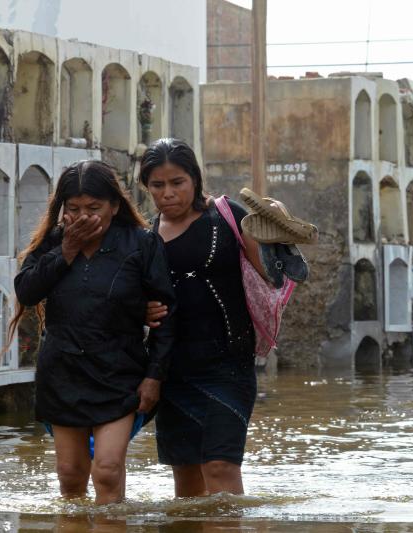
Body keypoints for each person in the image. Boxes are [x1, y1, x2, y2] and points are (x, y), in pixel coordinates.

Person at [9, 160, 175, 504]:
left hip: (119, 372)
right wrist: (66, 250)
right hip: (63, 373)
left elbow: (165, 316)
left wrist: (154, 376)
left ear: (114, 205)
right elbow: (26, 292)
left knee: (108, 469)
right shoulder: (54, 243)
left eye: (94, 208)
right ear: (62, 209)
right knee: (70, 477)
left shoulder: (141, 244)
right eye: (74, 209)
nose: (83, 217)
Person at [140, 138, 266, 497]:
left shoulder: (228, 217)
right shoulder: (144, 236)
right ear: (147, 187)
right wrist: (141, 309)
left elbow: (272, 276)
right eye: (157, 185)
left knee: (221, 466)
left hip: (228, 365)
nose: (168, 193)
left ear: (194, 179)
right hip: (172, 369)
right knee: (187, 483)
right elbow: (128, 294)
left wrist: (276, 233)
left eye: (177, 182)